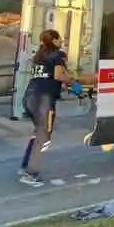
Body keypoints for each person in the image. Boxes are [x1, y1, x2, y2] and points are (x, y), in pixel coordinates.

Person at [18, 29, 69, 188]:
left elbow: (46, 78)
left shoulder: (39, 56)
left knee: (38, 133)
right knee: (44, 136)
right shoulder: (58, 55)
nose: (61, 41)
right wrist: (74, 80)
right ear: (54, 41)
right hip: (44, 100)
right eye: (59, 38)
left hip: (30, 97)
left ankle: (26, 166)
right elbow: (59, 76)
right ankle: (31, 173)